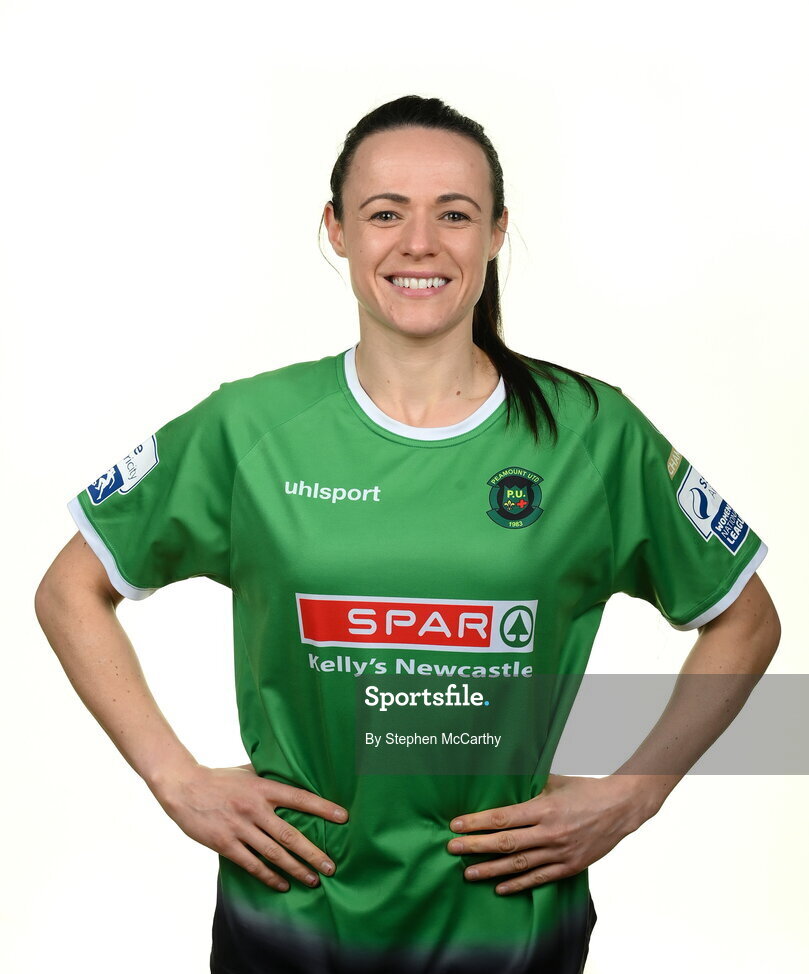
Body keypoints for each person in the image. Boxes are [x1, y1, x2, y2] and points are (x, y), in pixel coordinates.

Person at [35, 95, 780, 974]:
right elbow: (68, 590)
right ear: (337, 230)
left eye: (454, 214)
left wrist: (636, 791)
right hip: (293, 918)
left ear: (497, 232)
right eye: (384, 212)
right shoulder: (251, 426)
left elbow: (747, 619)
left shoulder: (591, 431)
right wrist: (174, 777)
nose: (418, 242)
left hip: (507, 929)